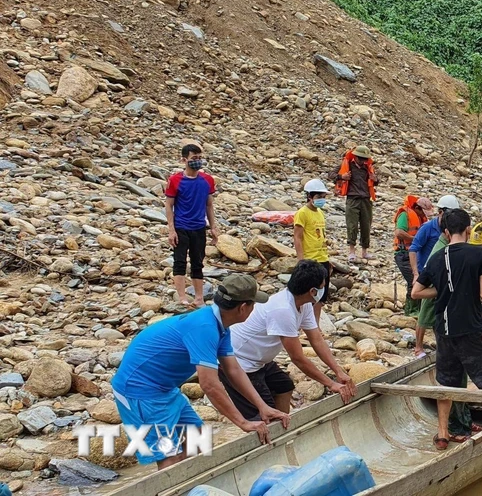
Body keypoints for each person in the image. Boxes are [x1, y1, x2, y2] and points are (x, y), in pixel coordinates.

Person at [111, 274, 290, 469]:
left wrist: (262, 406)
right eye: (253, 304)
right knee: (169, 457)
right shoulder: (205, 327)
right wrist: (243, 422)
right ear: (243, 307)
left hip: (164, 388)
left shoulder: (220, 326)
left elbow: (234, 370)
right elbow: (209, 385)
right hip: (140, 392)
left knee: (196, 442)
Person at [411, 209, 482, 451]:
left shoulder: (437, 258)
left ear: (446, 232)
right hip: (471, 326)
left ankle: (442, 434)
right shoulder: (479, 253)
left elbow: (416, 292)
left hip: (444, 328)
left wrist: (442, 291)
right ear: (469, 229)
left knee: (447, 382)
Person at [220, 261, 356, 421]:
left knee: (284, 386)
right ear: (313, 291)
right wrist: (331, 384)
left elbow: (317, 339)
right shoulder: (283, 309)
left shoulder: (304, 304)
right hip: (238, 362)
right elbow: (298, 358)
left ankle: (282, 429)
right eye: (323, 286)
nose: (324, 289)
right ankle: (268, 435)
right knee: (263, 413)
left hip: (259, 359)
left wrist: (338, 371)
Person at [165, 144, 219, 308]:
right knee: (179, 261)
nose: (197, 161)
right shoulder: (175, 180)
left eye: (199, 158)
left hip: (199, 227)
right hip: (181, 226)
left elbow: (209, 205)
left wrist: (213, 226)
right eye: (193, 158)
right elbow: (169, 205)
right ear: (184, 160)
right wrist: (171, 230)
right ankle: (182, 297)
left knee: (198, 262)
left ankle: (199, 297)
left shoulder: (207, 180)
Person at [409, 194, 460, 358]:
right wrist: (416, 274)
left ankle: (442, 346)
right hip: (427, 274)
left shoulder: (453, 228)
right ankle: (418, 347)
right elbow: (413, 248)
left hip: (444, 274)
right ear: (440, 212)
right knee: (425, 312)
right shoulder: (428, 228)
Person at [329, 145, 377, 263]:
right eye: (360, 158)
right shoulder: (347, 165)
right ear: (355, 157)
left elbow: (375, 182)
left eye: (365, 159)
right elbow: (331, 175)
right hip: (352, 199)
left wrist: (375, 180)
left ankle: (365, 251)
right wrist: (342, 176)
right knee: (352, 225)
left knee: (366, 225)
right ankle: (351, 251)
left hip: (366, 199)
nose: (363, 161)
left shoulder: (368, 168)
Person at [294, 179, 332, 324]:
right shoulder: (302, 213)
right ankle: (304, 325)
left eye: (323, 197)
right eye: (319, 197)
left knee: (321, 297)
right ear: (310, 196)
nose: (322, 200)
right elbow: (297, 237)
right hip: (310, 259)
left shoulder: (320, 213)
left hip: (322, 257)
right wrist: (301, 260)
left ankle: (315, 325)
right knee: (309, 295)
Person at [393, 195, 434, 317]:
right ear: (417, 207)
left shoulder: (421, 219)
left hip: (415, 253)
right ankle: (411, 310)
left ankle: (416, 309)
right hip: (403, 253)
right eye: (422, 212)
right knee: (414, 281)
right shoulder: (405, 215)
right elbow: (399, 232)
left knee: (418, 280)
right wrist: (415, 239)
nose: (424, 215)